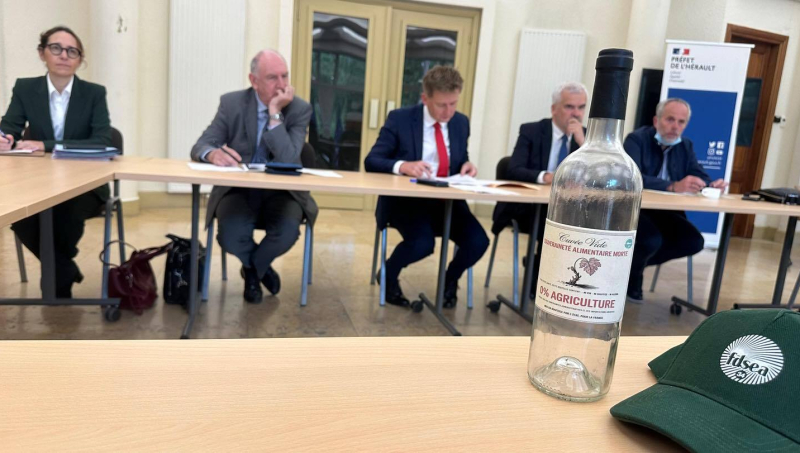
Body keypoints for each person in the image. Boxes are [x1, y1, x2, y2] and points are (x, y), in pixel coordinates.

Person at [190, 49, 318, 303]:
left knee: (286, 232)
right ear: (254, 80)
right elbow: (201, 145)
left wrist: (275, 113)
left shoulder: (299, 109)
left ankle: (251, 270)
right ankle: (260, 269)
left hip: (283, 192)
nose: (281, 85)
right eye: (272, 78)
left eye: (285, 76)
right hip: (238, 190)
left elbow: (289, 158)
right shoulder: (232, 103)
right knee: (229, 235)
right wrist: (212, 153)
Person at [0, 25, 112, 298]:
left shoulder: (94, 93)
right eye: (56, 48)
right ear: (42, 53)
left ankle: (58, 281)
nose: (64, 55)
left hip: (86, 183)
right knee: (22, 216)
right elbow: (10, 126)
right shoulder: (26, 88)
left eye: (72, 51)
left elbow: (101, 142)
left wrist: (46, 145)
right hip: (37, 181)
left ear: (80, 59)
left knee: (65, 211)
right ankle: (64, 269)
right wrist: (4, 138)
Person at [364, 66, 489, 308]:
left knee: (478, 242)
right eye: (442, 105)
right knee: (422, 244)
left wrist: (466, 165)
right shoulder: (400, 119)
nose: (448, 111)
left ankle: (449, 280)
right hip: (407, 202)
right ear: (425, 98)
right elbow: (372, 160)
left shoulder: (460, 122)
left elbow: (459, 158)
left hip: (447, 202)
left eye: (453, 104)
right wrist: (403, 166)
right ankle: (388, 273)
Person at [623, 98, 727, 303]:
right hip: (637, 210)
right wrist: (672, 186)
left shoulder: (685, 145)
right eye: (670, 119)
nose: (675, 127)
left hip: (667, 212)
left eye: (681, 122)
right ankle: (633, 275)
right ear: (656, 120)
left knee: (694, 242)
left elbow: (698, 173)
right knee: (650, 240)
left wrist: (711, 185)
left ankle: (632, 267)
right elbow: (631, 176)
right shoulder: (636, 139)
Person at [493, 82, 587, 293]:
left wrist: (584, 145)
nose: (576, 113)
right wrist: (546, 177)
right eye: (569, 107)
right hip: (529, 208)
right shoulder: (532, 131)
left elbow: (599, 177)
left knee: (580, 222)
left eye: (581, 107)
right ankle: (540, 276)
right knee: (553, 221)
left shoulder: (587, 140)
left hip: (568, 208)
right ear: (554, 109)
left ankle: (553, 275)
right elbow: (514, 169)